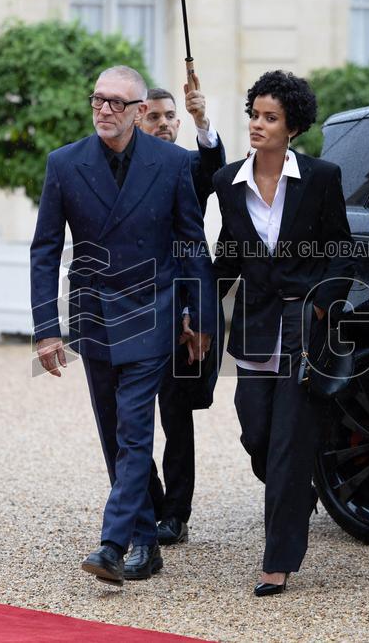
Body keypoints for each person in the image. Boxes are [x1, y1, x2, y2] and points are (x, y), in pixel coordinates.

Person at [30, 65, 216, 587]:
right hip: (93, 318)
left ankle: (115, 543)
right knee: (114, 434)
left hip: (150, 314)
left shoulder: (174, 163)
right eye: (98, 100)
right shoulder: (64, 164)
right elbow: (44, 250)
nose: (104, 110)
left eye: (116, 103)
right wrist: (47, 329)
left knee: (134, 431)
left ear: (138, 112)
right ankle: (148, 545)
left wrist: (199, 318)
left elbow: (191, 245)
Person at [212, 70, 355, 597]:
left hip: (302, 327)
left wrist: (323, 305)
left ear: (291, 127)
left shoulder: (321, 178)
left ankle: (278, 561)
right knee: (257, 435)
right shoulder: (228, 183)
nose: (257, 125)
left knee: (289, 447)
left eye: (269, 118)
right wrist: (198, 307)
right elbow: (228, 255)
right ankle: (297, 487)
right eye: (254, 114)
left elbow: (340, 248)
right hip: (253, 327)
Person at [136, 79, 226, 547]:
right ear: (137, 119)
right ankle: (147, 500)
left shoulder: (188, 166)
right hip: (131, 310)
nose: (164, 124)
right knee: (126, 418)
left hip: (179, 310)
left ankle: (176, 513)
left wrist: (201, 123)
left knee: (175, 415)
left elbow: (213, 166)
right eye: (154, 116)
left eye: (169, 116)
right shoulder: (121, 167)